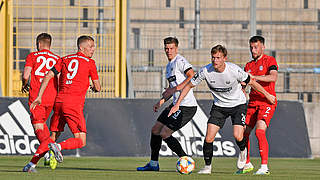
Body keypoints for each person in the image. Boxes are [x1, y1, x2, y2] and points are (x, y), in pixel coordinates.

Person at [168, 44, 276, 174]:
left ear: (225, 58)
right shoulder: (205, 71)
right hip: (219, 106)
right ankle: (207, 167)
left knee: (238, 135)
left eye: (218, 58)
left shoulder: (234, 70)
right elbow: (188, 85)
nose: (215, 61)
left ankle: (243, 151)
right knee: (209, 137)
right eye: (213, 58)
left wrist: (267, 95)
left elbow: (252, 82)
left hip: (238, 105)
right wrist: (177, 104)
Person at [30, 35, 101, 167]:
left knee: (53, 135)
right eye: (91, 46)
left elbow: (48, 75)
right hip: (73, 104)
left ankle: (31, 164)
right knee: (81, 140)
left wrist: (39, 96)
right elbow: (98, 87)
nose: (93, 49)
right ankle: (58, 147)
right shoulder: (90, 63)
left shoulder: (64, 59)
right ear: (81, 47)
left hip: (59, 102)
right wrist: (93, 87)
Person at [136, 37, 197, 171]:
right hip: (175, 104)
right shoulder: (169, 66)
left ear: (177, 48)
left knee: (165, 133)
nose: (169, 51)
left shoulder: (180, 61)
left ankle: (186, 160)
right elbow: (171, 88)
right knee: (155, 130)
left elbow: (192, 75)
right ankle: (153, 164)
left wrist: (177, 88)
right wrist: (161, 101)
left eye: (171, 48)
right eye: (166, 48)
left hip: (187, 106)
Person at [236, 36, 278, 175]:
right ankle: (247, 164)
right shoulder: (248, 66)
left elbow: (273, 77)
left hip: (267, 101)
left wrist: (252, 78)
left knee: (260, 131)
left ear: (263, 47)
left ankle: (264, 167)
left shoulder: (269, 60)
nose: (253, 50)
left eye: (256, 47)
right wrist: (241, 87)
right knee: (243, 133)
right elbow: (243, 84)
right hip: (252, 103)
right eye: (251, 47)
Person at [22, 33, 61, 172]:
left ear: (38, 44)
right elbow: (59, 77)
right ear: (49, 44)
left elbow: (26, 75)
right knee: (43, 127)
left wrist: (24, 83)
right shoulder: (57, 58)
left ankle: (51, 148)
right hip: (52, 97)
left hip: (36, 97)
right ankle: (50, 148)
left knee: (38, 128)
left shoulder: (32, 56)